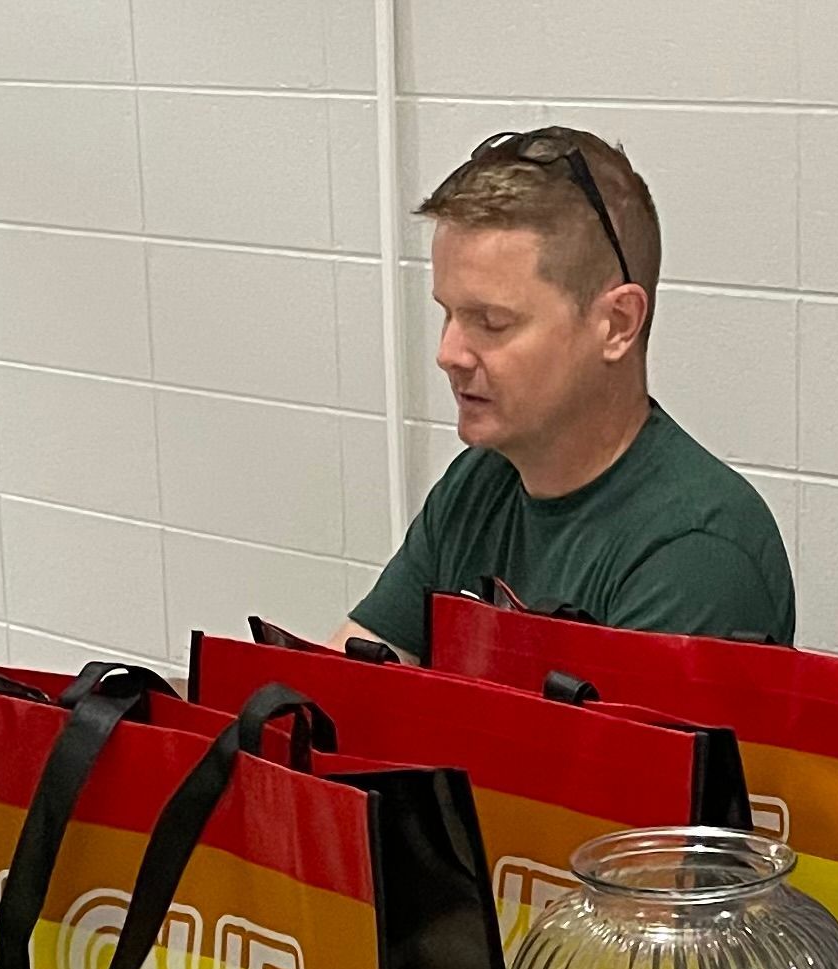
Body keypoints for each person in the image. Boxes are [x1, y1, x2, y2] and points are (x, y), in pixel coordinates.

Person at [331, 127, 794, 663]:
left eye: (492, 321)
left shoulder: (696, 554)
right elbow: (339, 690)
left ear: (617, 324)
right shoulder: (478, 484)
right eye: (448, 313)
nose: (449, 353)